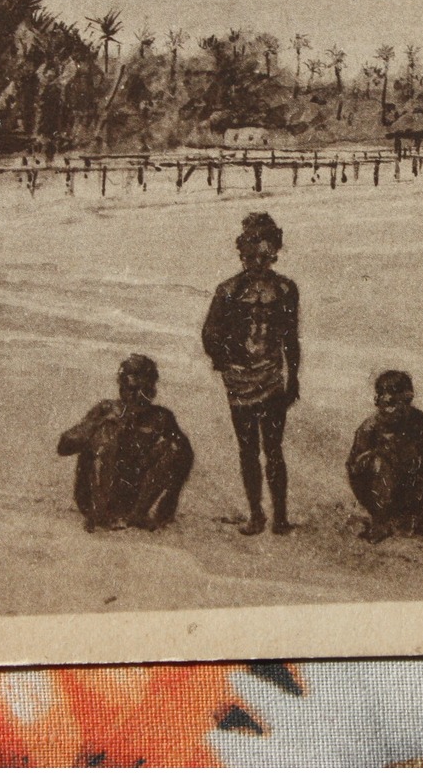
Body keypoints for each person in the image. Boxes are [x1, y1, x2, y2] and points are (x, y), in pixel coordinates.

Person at [202, 212, 301, 535]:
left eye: (263, 256)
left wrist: (293, 378)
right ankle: (257, 514)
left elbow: (290, 338)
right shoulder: (228, 290)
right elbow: (210, 335)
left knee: (274, 448)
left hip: (272, 377)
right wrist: (228, 361)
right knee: (248, 449)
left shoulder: (286, 289)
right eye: (249, 257)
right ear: (241, 255)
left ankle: (281, 515)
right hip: (240, 380)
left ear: (274, 253)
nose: (257, 263)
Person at [57, 354, 193, 532]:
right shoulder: (106, 409)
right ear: (122, 387)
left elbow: (185, 455)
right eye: (132, 389)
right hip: (97, 495)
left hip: (134, 495)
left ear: (153, 390)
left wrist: (168, 502)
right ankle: (99, 514)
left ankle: (139, 513)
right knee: (105, 435)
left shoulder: (161, 417)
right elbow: (64, 447)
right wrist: (98, 425)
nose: (138, 396)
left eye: (145, 389)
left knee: (176, 447)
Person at [346, 371, 423, 543]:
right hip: (381, 492)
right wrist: (376, 456)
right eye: (389, 402)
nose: (394, 409)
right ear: (378, 401)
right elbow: (354, 470)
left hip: (413, 489)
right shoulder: (369, 428)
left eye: (401, 402)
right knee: (377, 464)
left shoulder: (421, 423)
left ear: (409, 400)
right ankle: (380, 523)